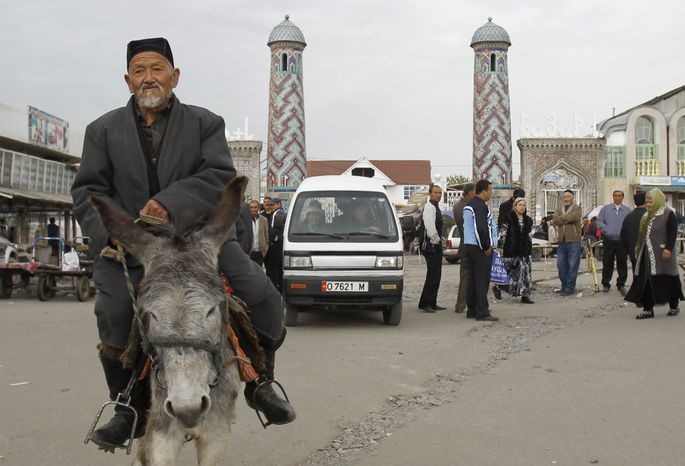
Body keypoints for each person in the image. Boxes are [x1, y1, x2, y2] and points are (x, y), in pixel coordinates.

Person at [71, 38, 295, 452]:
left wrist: (168, 204)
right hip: (133, 246)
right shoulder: (101, 131)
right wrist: (118, 233)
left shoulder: (205, 124)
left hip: (201, 241)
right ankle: (127, 406)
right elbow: (87, 191)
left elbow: (218, 176)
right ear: (127, 79)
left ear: (175, 76)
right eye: (139, 71)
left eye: (157, 68)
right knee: (113, 309)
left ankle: (260, 383)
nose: (148, 78)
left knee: (263, 296)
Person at [624, 189, 684, 319]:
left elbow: (672, 232)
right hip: (647, 254)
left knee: (668, 280)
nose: (648, 204)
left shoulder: (668, 214)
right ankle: (648, 309)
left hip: (663, 254)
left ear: (658, 201)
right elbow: (642, 235)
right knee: (646, 280)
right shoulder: (646, 216)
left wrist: (668, 249)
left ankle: (674, 305)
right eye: (647, 202)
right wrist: (637, 249)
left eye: (651, 202)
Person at [463, 179, 499, 321]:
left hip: (470, 246)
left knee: (473, 279)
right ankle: (482, 311)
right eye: (490, 190)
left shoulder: (470, 204)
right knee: (481, 280)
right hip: (479, 248)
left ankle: (471, 309)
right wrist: (486, 246)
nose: (491, 193)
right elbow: (481, 228)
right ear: (484, 191)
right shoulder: (480, 206)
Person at [497, 197, 534, 304]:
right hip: (511, 250)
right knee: (511, 272)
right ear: (515, 207)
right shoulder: (507, 218)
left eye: (524, 205)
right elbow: (503, 233)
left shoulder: (528, 220)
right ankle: (500, 287)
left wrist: (529, 249)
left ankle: (525, 295)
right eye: (520, 205)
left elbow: (529, 236)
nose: (522, 207)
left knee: (526, 272)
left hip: (525, 251)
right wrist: (500, 246)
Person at [492, 188, 525, 300]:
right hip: (507, 239)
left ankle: (519, 289)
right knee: (505, 266)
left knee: (520, 265)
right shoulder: (505, 206)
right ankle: (498, 286)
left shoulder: (522, 206)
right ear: (513, 198)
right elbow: (501, 222)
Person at [596, 190, 631, 295]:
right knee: (607, 262)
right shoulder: (605, 209)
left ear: (623, 197)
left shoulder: (627, 210)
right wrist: (605, 229)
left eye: (619, 196)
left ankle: (621, 284)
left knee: (622, 263)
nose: (617, 197)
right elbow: (599, 220)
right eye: (615, 195)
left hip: (622, 241)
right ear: (613, 197)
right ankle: (606, 283)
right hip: (609, 239)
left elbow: (630, 223)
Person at [418, 184, 445, 313]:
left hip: (435, 244)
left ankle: (432, 302)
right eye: (435, 192)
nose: (438, 195)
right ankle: (425, 303)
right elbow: (429, 226)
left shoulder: (436, 207)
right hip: (431, 245)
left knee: (436, 275)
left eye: (440, 193)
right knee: (433, 275)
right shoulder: (429, 207)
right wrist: (436, 240)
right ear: (430, 194)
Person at [552, 190, 583, 296]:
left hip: (574, 241)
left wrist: (562, 218)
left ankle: (569, 289)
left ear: (572, 198)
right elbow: (555, 221)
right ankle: (564, 286)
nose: (566, 199)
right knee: (561, 266)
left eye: (568, 197)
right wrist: (566, 218)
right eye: (564, 197)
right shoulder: (558, 209)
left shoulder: (577, 208)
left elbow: (574, 217)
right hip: (561, 242)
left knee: (572, 265)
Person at [452, 182, 475, 313]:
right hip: (470, 245)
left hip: (463, 244)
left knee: (464, 277)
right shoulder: (469, 207)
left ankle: (460, 305)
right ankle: (472, 304)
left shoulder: (457, 206)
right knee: (472, 276)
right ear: (471, 192)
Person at [620, 190, 647, 273]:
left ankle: (637, 285)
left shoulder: (629, 217)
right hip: (647, 251)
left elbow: (623, 236)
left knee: (636, 273)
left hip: (633, 250)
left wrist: (627, 249)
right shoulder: (649, 215)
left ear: (635, 202)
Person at [265, 197, 286, 292]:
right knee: (280, 268)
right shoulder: (284, 213)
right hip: (282, 244)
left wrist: (270, 240)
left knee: (273, 268)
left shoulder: (277, 214)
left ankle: (274, 289)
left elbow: (274, 230)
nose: (271, 207)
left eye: (272, 205)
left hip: (276, 244)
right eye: (270, 205)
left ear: (278, 204)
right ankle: (281, 288)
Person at [249, 199, 269, 266]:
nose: (253, 209)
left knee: (258, 272)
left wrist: (265, 249)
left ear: (258, 208)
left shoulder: (264, 220)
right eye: (251, 207)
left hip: (260, 253)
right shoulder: (245, 219)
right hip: (249, 252)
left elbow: (267, 236)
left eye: (255, 207)